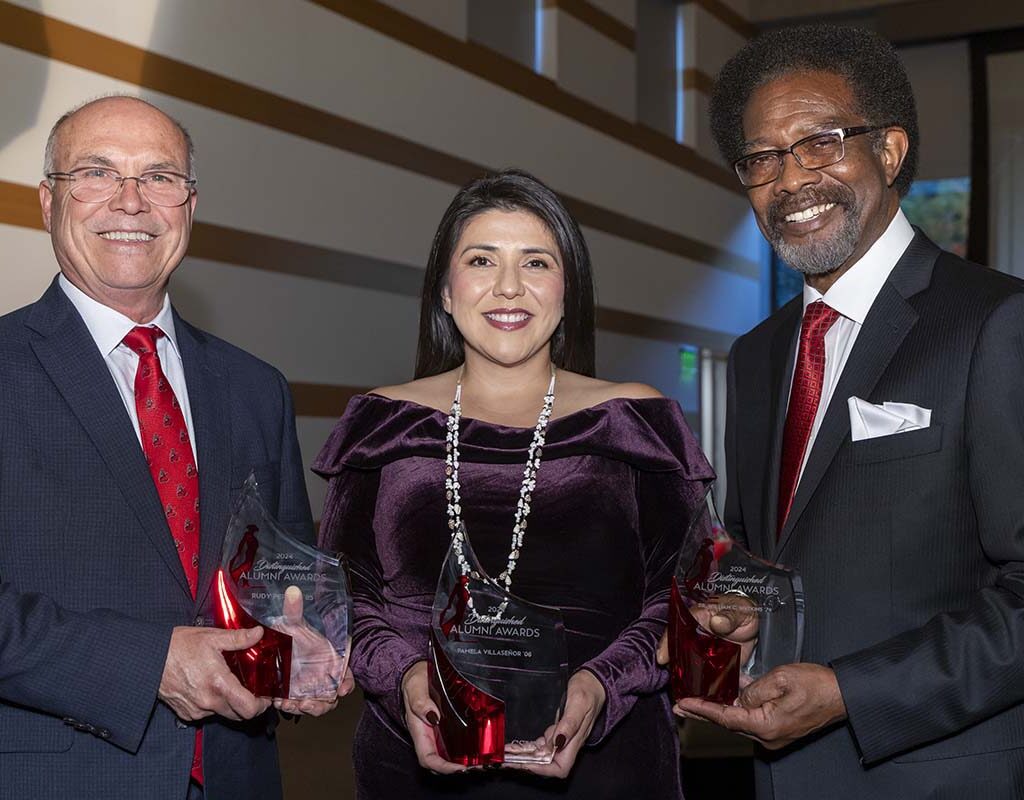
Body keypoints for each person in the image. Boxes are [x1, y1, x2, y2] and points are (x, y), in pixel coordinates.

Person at [664, 24, 1024, 799]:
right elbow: (771, 558)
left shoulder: (995, 323)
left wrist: (852, 693)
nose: (791, 180)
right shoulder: (759, 355)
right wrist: (740, 613)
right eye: (762, 158)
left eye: (821, 142)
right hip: (781, 774)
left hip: (939, 775)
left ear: (890, 153)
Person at [314, 169, 714, 798]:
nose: (508, 287)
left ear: (566, 290)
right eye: (481, 260)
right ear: (445, 291)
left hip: (609, 767)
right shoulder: (383, 423)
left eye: (535, 261)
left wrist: (600, 686)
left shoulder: (634, 420)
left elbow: (691, 592)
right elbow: (344, 594)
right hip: (415, 760)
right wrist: (410, 679)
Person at [0, 95, 345, 800]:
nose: (130, 202)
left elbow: (285, 588)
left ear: (188, 206)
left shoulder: (256, 388)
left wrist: (308, 654)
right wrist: (150, 663)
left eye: (158, 177)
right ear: (46, 201)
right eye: (96, 173)